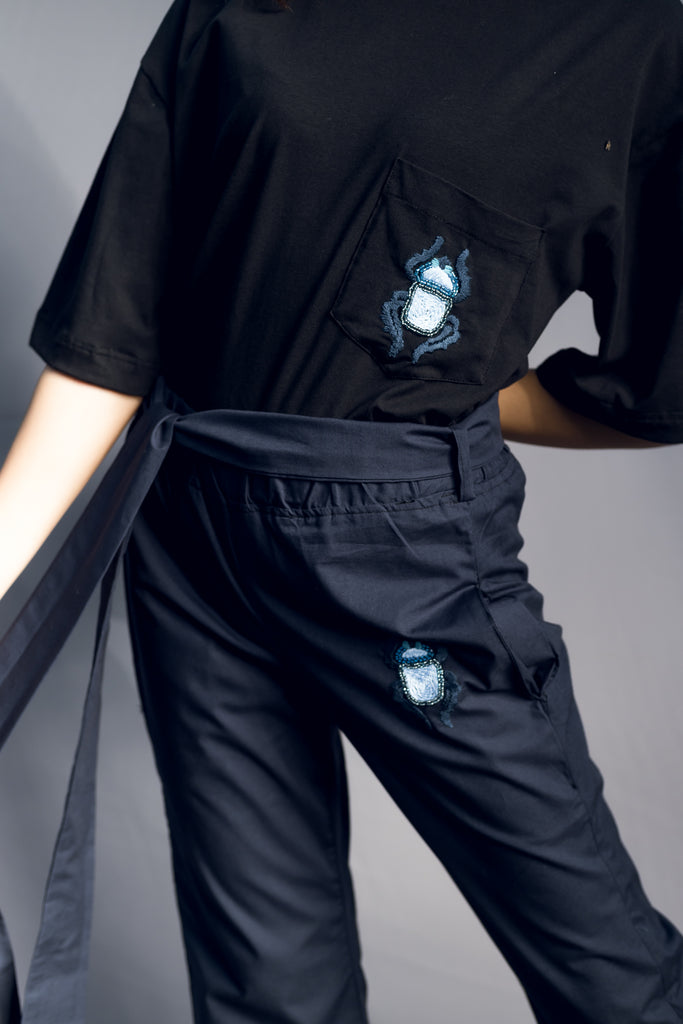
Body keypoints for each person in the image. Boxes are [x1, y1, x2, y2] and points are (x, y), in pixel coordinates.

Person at [0, 0, 682, 1022]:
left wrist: (456, 389)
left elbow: (657, 388)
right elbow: (113, 332)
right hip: (187, 525)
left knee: (609, 976)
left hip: (403, 556)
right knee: (265, 982)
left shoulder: (641, 36)